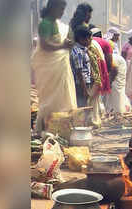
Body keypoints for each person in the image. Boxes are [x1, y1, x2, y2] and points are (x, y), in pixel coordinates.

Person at [31, 0, 77, 132]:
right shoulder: (45, 24)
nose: (62, 12)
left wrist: (68, 43)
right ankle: (45, 129)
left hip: (60, 66)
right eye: (60, 9)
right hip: (49, 68)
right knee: (49, 101)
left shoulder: (60, 25)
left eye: (63, 9)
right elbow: (45, 46)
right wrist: (63, 46)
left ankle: (61, 129)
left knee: (62, 99)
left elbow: (65, 42)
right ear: (52, 8)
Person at [70, 26, 102, 126]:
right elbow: (79, 72)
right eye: (88, 38)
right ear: (81, 39)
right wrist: (84, 89)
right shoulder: (78, 52)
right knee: (82, 106)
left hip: (85, 82)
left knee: (85, 105)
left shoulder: (83, 50)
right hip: (80, 84)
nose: (90, 40)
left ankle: (83, 125)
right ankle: (80, 127)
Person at [91, 27, 112, 95]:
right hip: (100, 68)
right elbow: (109, 61)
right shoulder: (105, 43)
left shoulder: (87, 41)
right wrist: (107, 74)